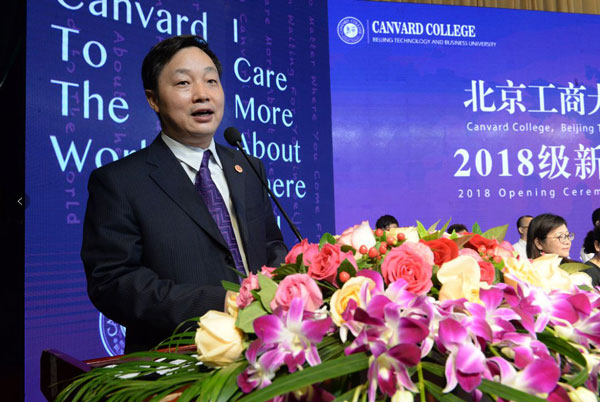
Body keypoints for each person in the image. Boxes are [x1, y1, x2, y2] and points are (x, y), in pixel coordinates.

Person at [81, 35, 287, 353]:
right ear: (153, 99)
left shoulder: (247, 167)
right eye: (183, 83)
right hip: (177, 359)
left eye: (211, 81)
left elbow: (270, 245)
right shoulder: (119, 181)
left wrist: (286, 286)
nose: (202, 94)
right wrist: (220, 303)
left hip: (264, 350)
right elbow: (113, 283)